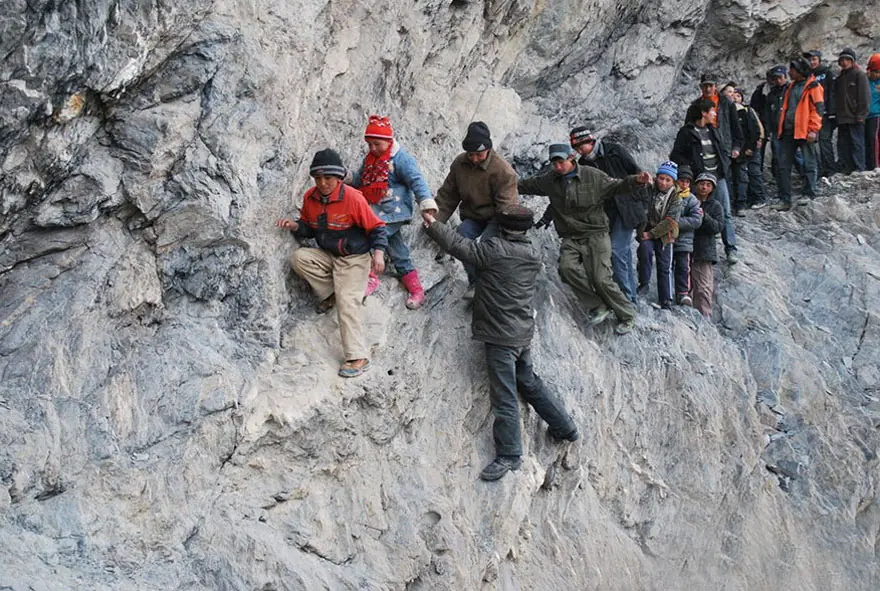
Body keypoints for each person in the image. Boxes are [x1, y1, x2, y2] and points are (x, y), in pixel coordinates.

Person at [423, 205, 579, 482]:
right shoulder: (532, 252)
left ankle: (509, 454)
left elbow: (460, 246)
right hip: (521, 332)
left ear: (503, 227)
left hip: (500, 336)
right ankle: (564, 426)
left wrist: (434, 224)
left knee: (504, 395)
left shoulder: (495, 250)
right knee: (528, 381)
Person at [518, 144, 652, 335]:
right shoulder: (550, 181)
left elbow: (617, 186)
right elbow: (526, 185)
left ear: (571, 158)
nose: (557, 166)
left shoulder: (592, 176)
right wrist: (502, 181)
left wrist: (637, 181)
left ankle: (627, 314)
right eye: (554, 163)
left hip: (596, 234)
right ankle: (598, 304)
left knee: (600, 277)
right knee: (566, 269)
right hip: (571, 236)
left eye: (561, 162)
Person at [276, 149, 388, 378]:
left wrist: (378, 254)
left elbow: (377, 227)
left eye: (328, 178)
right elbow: (309, 227)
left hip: (354, 259)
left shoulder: (353, 198)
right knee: (300, 259)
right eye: (318, 178)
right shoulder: (311, 198)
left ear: (338, 178)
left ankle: (358, 356)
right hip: (329, 255)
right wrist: (296, 226)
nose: (323, 183)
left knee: (348, 301)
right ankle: (333, 292)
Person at [352, 115, 436, 309]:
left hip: (395, 211)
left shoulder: (401, 159)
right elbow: (361, 179)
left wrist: (425, 202)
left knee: (373, 236)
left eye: (377, 144)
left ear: (389, 140)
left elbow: (416, 180)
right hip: (376, 209)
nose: (373, 148)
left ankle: (371, 275)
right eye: (370, 144)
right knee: (397, 250)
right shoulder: (371, 160)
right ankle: (416, 289)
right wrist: (347, 177)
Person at [433, 121, 519, 300]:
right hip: (473, 215)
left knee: (487, 247)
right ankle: (475, 282)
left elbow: (507, 206)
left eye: (479, 154)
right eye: (470, 154)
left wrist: (508, 234)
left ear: (488, 149)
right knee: (462, 238)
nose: (474, 159)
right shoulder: (460, 164)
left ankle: (490, 284)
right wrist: (434, 222)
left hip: (497, 216)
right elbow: (448, 195)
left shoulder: (503, 171)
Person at [567, 127, 647, 303]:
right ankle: (631, 298)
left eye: (581, 146)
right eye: (576, 148)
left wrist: (643, 207)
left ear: (590, 142)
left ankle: (626, 299)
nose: (579, 151)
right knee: (623, 254)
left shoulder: (615, 151)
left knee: (617, 251)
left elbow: (637, 174)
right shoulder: (584, 165)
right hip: (608, 213)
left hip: (628, 208)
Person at [670, 99, 738, 266]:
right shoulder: (687, 132)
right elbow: (676, 155)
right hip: (698, 178)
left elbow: (720, 150)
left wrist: (725, 165)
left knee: (725, 212)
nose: (715, 114)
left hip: (717, 177)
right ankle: (691, 249)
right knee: (694, 212)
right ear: (703, 113)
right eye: (712, 111)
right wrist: (690, 169)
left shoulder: (713, 130)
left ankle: (731, 248)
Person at [691, 72, 743, 263]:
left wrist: (736, 147)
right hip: (700, 166)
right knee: (696, 208)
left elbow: (736, 128)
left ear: (715, 86)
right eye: (704, 86)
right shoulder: (695, 107)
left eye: (711, 85)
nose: (707, 89)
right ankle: (696, 251)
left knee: (724, 208)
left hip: (720, 162)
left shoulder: (726, 104)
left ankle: (731, 248)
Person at [772, 58, 824, 211]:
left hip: (805, 131)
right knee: (783, 165)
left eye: (792, 69)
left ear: (800, 70)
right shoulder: (791, 86)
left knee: (809, 163)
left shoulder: (814, 86)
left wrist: (813, 129)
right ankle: (784, 199)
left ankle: (809, 193)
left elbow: (818, 109)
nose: (789, 72)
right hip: (789, 131)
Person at [637, 161, 682, 309]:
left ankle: (666, 299)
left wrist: (651, 234)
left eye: (667, 180)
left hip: (665, 234)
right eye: (661, 178)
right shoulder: (650, 189)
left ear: (673, 181)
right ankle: (643, 284)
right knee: (644, 253)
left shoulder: (676, 197)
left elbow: (670, 221)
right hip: (648, 228)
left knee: (664, 265)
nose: (663, 182)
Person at [721, 83, 765, 215]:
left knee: (744, 176)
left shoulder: (744, 110)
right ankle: (730, 204)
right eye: (730, 92)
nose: (733, 96)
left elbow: (754, 130)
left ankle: (742, 204)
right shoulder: (721, 110)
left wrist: (750, 146)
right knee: (729, 178)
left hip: (741, 148)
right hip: (727, 149)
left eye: (735, 93)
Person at [690, 173, 724, 318]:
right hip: (686, 248)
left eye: (708, 185)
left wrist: (704, 216)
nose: (704, 187)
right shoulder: (688, 201)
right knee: (686, 287)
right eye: (701, 183)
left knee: (703, 288)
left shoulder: (715, 206)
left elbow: (718, 227)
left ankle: (705, 318)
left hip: (704, 251)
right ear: (696, 185)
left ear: (712, 188)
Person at [834, 48, 871, 174]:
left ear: (852, 61)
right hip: (843, 117)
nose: (844, 62)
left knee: (857, 142)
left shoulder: (859, 75)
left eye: (847, 60)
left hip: (855, 116)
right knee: (844, 144)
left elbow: (865, 96)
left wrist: (861, 114)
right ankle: (846, 167)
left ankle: (859, 167)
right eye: (842, 60)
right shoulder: (839, 78)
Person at [672, 165, 703, 307]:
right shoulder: (669, 195)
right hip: (668, 239)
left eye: (687, 181)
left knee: (683, 267)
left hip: (684, 241)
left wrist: (674, 223)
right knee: (666, 267)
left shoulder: (692, 200)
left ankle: (683, 293)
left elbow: (696, 220)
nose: (684, 184)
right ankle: (668, 292)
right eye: (681, 181)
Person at [804, 49, 837, 177]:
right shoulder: (806, 75)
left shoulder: (827, 73)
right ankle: (817, 169)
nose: (811, 62)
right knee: (812, 142)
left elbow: (832, 93)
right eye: (809, 60)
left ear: (819, 60)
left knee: (824, 140)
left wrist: (831, 111)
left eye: (814, 59)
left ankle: (829, 168)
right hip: (809, 114)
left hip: (825, 113)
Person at [866, 54, 880, 170]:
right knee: (865, 140)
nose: (877, 74)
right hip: (864, 115)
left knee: (873, 138)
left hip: (876, 115)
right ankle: (868, 164)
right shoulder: (863, 80)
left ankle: (875, 165)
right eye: (875, 71)